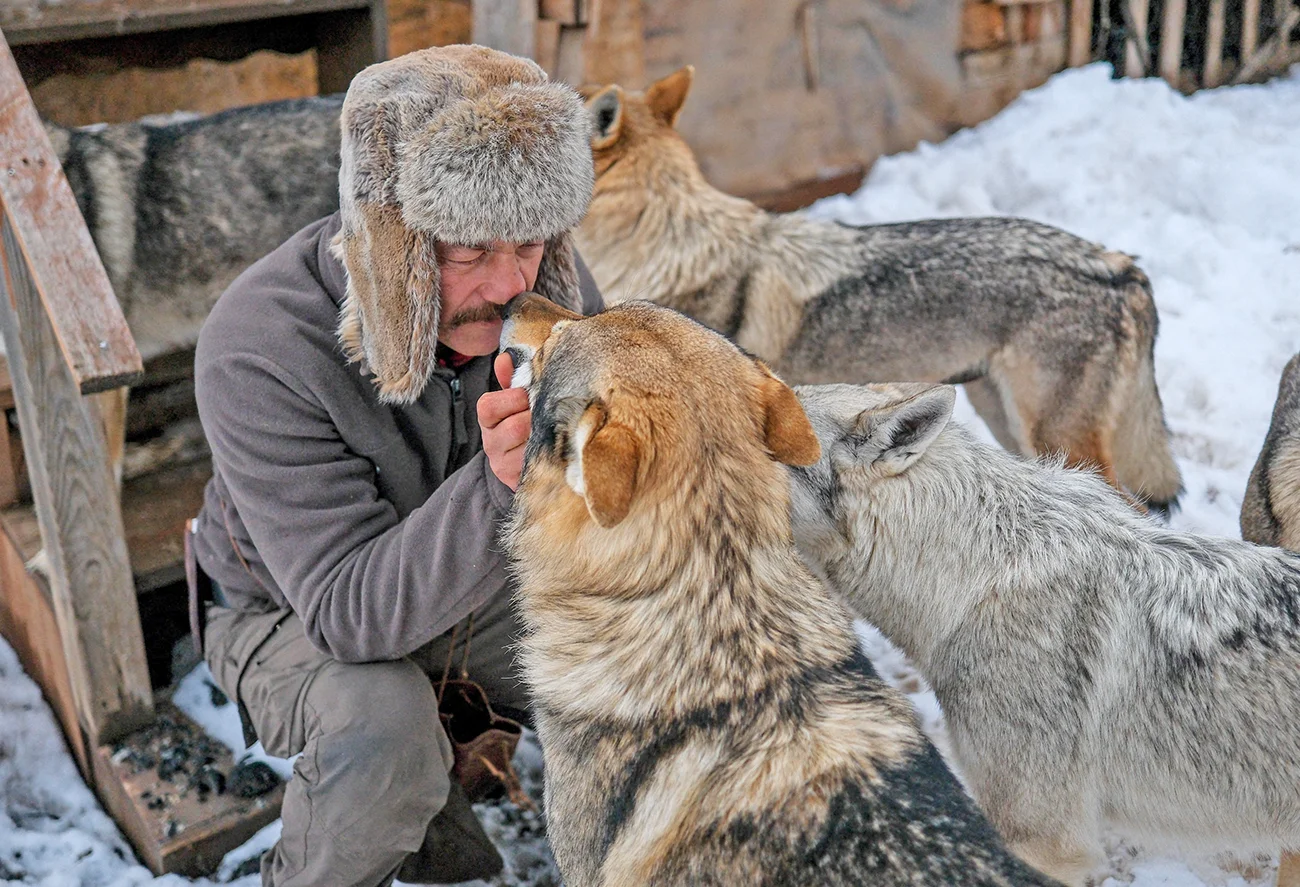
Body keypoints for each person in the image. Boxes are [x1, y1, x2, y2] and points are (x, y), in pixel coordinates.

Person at [189, 44, 601, 886]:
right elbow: (345, 612)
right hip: (289, 608)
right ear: (391, 245)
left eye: (528, 241)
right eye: (464, 251)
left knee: (662, 638)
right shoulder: (261, 343)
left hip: (469, 588)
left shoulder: (537, 288)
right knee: (384, 731)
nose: (506, 283)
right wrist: (500, 483)